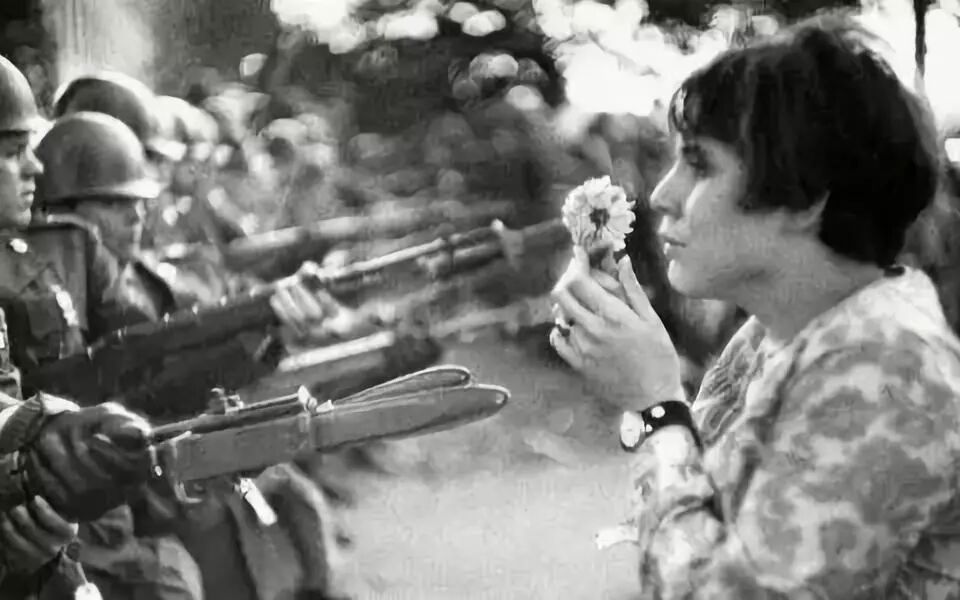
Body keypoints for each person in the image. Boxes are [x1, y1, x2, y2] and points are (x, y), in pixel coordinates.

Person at [550, 16, 960, 599]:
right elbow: (705, 512)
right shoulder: (778, 334)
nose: (663, 195)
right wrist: (641, 384)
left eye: (700, 165)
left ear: (804, 195)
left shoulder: (889, 368)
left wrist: (654, 406)